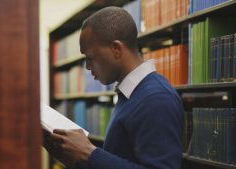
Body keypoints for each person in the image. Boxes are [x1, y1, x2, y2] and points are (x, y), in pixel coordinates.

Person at [44, 6, 184, 169]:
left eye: (90, 57)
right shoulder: (131, 93)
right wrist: (76, 158)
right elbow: (122, 156)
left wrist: (88, 153)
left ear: (116, 49)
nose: (87, 67)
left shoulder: (156, 98)